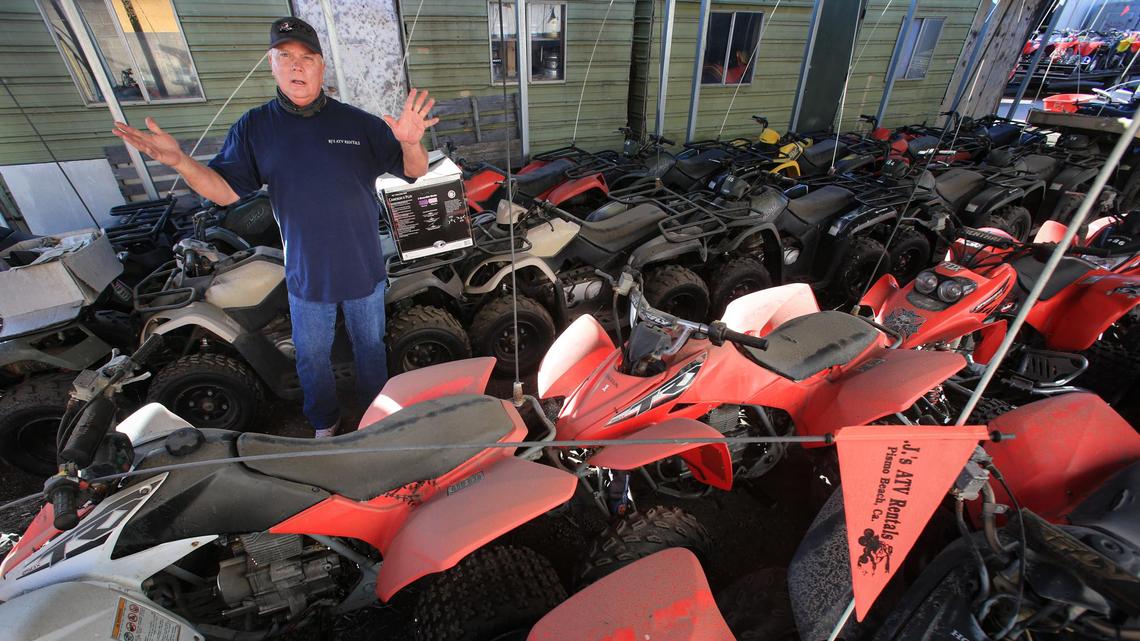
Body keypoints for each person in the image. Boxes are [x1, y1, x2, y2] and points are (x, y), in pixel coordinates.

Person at [113, 17, 439, 437]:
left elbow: (415, 171)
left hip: (364, 269)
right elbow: (225, 191)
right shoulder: (255, 128)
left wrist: (412, 142)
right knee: (311, 357)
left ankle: (377, 419)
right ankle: (325, 424)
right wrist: (180, 162)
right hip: (306, 276)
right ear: (272, 64)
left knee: (371, 351)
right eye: (285, 56)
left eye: (306, 58)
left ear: (322, 67)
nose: (297, 66)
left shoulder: (359, 124)